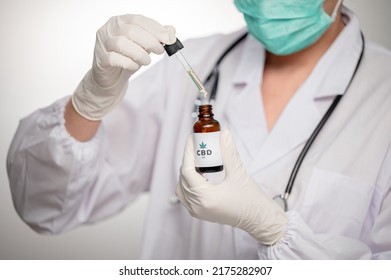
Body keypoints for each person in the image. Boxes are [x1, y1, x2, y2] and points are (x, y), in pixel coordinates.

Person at [6, 0, 391, 259]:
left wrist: (276, 229)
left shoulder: (382, 95)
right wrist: (89, 101)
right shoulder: (195, 67)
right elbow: (43, 204)